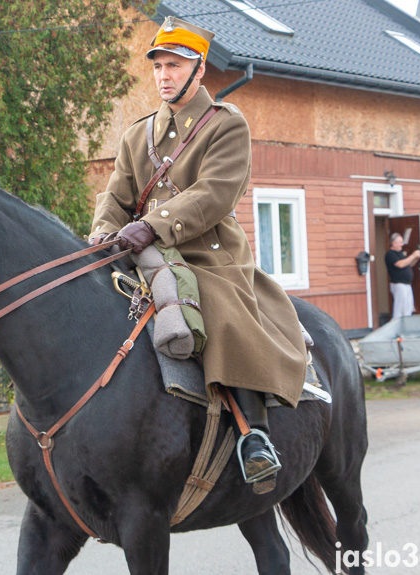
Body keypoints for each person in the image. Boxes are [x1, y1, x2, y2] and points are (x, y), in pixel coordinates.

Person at [88, 17, 306, 493]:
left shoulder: (226, 125)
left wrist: (150, 226)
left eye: (175, 65)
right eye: (158, 66)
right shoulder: (137, 134)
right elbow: (115, 197)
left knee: (220, 310)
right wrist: (105, 234)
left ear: (200, 69)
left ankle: (254, 436)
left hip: (207, 253)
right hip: (141, 253)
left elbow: (214, 194)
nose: (164, 75)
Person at [385, 232, 420, 318]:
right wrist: (413, 255)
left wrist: (416, 258)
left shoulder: (400, 254)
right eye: (400, 242)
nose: (402, 244)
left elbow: (407, 265)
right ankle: (396, 326)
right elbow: (400, 264)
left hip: (406, 284)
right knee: (400, 308)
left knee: (408, 307)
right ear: (394, 243)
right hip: (399, 284)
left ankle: (406, 326)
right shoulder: (390, 254)